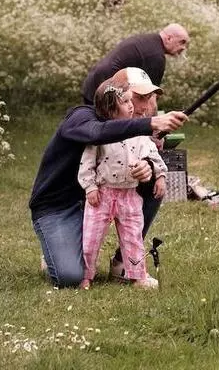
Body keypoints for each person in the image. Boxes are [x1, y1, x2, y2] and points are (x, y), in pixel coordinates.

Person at [30, 74, 187, 288]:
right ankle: (57, 253)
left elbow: (144, 153)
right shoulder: (82, 116)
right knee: (69, 276)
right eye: (135, 98)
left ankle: (123, 263)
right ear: (109, 98)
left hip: (112, 194)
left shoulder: (133, 126)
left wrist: (148, 167)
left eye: (148, 98)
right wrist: (149, 123)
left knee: (153, 184)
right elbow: (97, 133)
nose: (141, 107)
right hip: (60, 206)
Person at [79, 80, 166, 290]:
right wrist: (90, 187)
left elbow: (153, 156)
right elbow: (87, 163)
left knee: (133, 237)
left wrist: (161, 175)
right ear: (110, 108)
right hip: (102, 194)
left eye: (130, 101)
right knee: (91, 237)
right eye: (125, 101)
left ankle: (137, 276)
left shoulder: (139, 132)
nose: (131, 105)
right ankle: (85, 276)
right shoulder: (100, 134)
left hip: (129, 195)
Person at [81, 23, 190, 105]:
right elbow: (150, 98)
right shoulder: (156, 56)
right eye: (182, 42)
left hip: (94, 82)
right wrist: (155, 127)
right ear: (169, 38)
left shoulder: (149, 41)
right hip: (106, 89)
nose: (183, 48)